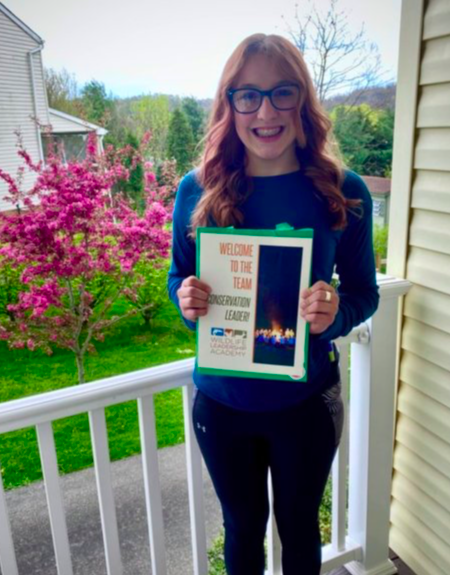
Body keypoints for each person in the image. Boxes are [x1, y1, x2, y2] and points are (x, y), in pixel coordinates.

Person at [168, 33, 379, 575]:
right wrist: (184, 298)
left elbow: (364, 293)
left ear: (303, 101)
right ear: (229, 104)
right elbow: (179, 277)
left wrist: (336, 315)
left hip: (305, 405)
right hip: (223, 403)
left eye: (282, 93)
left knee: (300, 529)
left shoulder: (344, 190)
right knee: (241, 531)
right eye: (248, 95)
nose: (265, 111)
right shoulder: (198, 190)